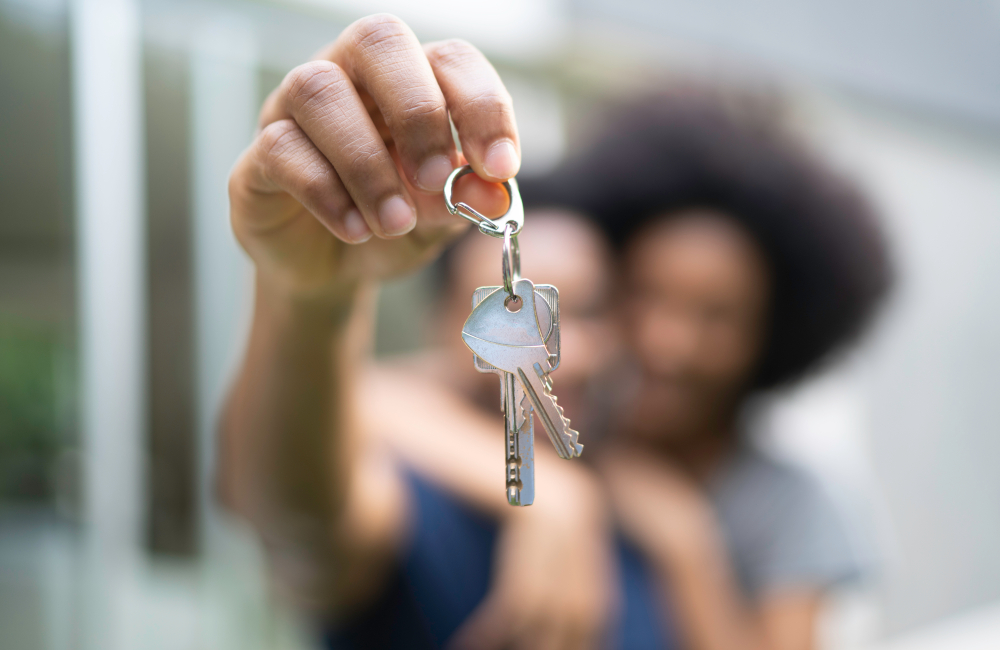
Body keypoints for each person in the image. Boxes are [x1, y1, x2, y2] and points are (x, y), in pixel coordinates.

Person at [219, 14, 892, 650]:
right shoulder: (421, 504)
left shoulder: (711, 512)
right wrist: (311, 295)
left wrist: (677, 538)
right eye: (514, 312)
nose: (668, 343)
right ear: (446, 336)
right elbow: (304, 501)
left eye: (588, 310)